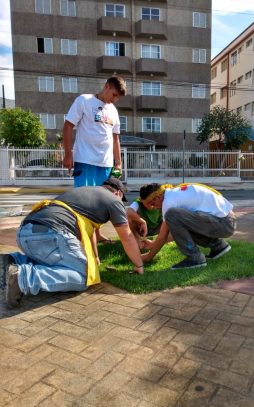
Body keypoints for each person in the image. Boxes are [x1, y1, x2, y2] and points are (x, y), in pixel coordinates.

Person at [0, 177, 144, 308]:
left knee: (58, 262)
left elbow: (90, 231)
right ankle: (23, 278)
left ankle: (12, 261)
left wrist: (95, 258)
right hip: (51, 234)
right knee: (83, 277)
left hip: (25, 233)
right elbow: (127, 237)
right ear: (118, 193)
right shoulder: (113, 200)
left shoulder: (85, 192)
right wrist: (139, 265)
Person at [62, 76, 127, 243]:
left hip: (105, 164)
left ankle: (97, 235)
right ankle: (83, 238)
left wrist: (118, 163)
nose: (115, 99)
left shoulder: (113, 110)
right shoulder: (84, 101)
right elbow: (68, 126)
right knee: (83, 202)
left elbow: (115, 138)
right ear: (106, 87)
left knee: (101, 202)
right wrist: (68, 155)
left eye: (118, 97)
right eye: (114, 95)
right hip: (85, 161)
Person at [141, 183, 236, 270]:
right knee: (178, 220)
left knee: (171, 214)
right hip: (226, 221)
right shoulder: (173, 193)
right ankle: (218, 246)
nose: (153, 208)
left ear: (157, 197)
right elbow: (178, 233)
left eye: (152, 204)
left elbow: (163, 236)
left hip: (224, 223)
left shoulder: (168, 202)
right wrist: (154, 244)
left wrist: (148, 257)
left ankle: (194, 258)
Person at [127, 183, 164, 249]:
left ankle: (164, 238)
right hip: (143, 230)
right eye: (147, 203)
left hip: (158, 228)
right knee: (129, 218)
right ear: (141, 200)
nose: (151, 205)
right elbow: (128, 212)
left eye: (152, 202)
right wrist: (142, 221)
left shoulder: (160, 201)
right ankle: (138, 239)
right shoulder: (138, 203)